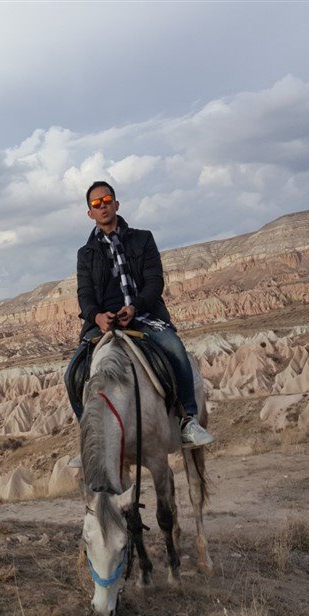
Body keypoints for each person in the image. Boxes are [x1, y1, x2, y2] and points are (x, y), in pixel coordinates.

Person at [74, 181, 214, 448]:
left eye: (107, 200)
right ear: (90, 213)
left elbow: (154, 282)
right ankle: (89, 439)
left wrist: (134, 307)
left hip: (143, 315)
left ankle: (188, 420)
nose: (102, 206)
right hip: (104, 323)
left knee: (175, 349)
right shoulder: (86, 254)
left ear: (116, 204)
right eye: (95, 204)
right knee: (74, 371)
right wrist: (97, 317)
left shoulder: (142, 238)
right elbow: (85, 295)